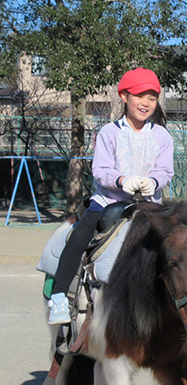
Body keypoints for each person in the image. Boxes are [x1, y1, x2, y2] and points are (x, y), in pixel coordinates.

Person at [47, 67, 174, 324]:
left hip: (149, 203)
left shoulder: (162, 135)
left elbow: (166, 169)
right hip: (109, 201)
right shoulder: (109, 132)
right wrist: (121, 180)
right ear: (125, 96)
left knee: (177, 242)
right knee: (79, 236)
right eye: (140, 96)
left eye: (152, 97)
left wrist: (153, 181)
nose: (146, 103)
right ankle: (60, 296)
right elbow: (101, 170)